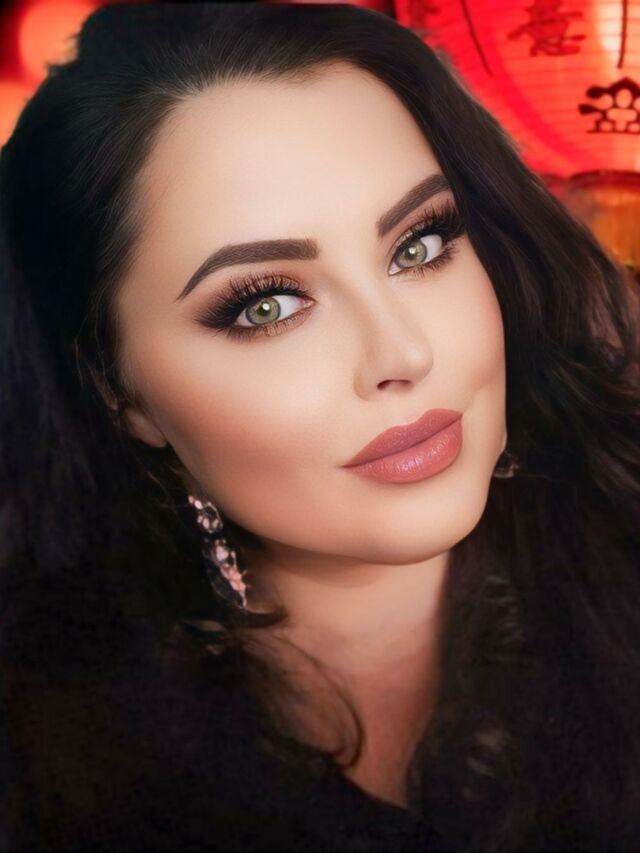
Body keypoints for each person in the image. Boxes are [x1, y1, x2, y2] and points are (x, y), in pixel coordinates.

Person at [1, 2, 639, 850]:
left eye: (419, 245)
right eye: (266, 304)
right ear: (119, 388)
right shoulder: (43, 761)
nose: (403, 352)